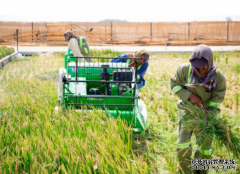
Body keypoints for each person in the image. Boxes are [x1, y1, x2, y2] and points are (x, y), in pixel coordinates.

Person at [170, 45, 226, 174]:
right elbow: (174, 85)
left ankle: (200, 171)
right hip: (187, 110)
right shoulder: (184, 70)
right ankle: (187, 171)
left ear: (210, 61)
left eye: (203, 66)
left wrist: (209, 115)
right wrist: (190, 96)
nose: (200, 69)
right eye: (197, 66)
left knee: (204, 147)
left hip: (207, 114)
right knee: (182, 144)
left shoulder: (218, 77)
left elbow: (217, 101)